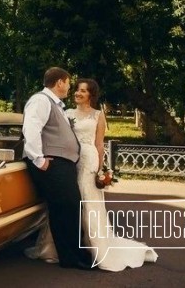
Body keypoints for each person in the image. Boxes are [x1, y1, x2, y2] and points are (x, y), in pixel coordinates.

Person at [25, 78, 158, 271]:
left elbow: (99, 144)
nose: (78, 93)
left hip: (88, 161)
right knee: (67, 202)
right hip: (69, 162)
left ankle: (95, 248)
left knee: (87, 202)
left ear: (91, 95)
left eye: (84, 91)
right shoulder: (66, 112)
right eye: (77, 89)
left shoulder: (98, 115)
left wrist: (102, 169)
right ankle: (57, 248)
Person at [22, 67, 94, 270]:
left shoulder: (54, 104)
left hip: (61, 164)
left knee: (65, 208)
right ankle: (73, 257)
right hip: (52, 164)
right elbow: (31, 128)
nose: (70, 87)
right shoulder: (41, 100)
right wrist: (39, 159)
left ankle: (72, 256)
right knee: (69, 207)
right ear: (60, 82)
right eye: (69, 83)